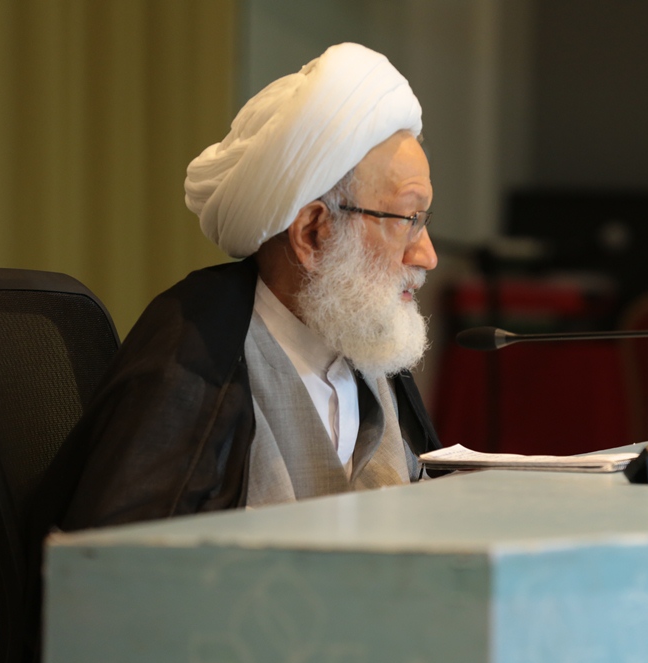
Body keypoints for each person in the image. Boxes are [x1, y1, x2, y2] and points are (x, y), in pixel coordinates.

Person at [38, 42, 444, 531]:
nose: (426, 256)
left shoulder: (366, 347)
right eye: (407, 219)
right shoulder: (191, 361)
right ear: (314, 234)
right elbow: (123, 564)